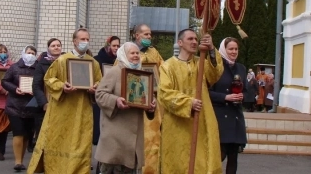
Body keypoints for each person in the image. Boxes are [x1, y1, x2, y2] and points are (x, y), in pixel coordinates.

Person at [27, 28, 102, 174]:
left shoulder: (93, 63)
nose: (85, 42)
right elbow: (49, 78)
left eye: (87, 39)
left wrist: (95, 88)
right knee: (60, 141)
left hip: (83, 110)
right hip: (63, 110)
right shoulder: (62, 60)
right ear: (74, 41)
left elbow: (100, 81)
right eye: (82, 39)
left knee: (80, 142)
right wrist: (63, 86)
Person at [158, 29, 224, 173]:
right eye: (190, 39)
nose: (194, 42)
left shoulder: (201, 63)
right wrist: (189, 103)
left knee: (201, 162)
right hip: (177, 124)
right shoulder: (168, 66)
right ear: (180, 43)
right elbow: (164, 93)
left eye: (196, 39)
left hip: (201, 120)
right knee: (177, 164)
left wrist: (211, 49)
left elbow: (215, 74)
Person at [95, 42, 156, 173]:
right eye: (132, 53)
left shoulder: (142, 74)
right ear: (123, 55)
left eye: (137, 53)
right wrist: (116, 100)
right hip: (115, 136)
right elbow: (99, 94)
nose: (135, 56)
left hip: (133, 138)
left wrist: (151, 106)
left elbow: (146, 97)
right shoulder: (115, 71)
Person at [209, 37, 248, 174]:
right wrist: (225, 97)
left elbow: (248, 91)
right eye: (230, 49)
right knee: (219, 155)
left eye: (236, 49)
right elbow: (207, 92)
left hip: (236, 116)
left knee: (233, 157)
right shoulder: (216, 68)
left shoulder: (241, 68)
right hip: (220, 117)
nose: (234, 52)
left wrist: (243, 96)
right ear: (223, 50)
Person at [133, 24, 163, 174]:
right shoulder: (127, 51)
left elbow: (162, 74)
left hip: (151, 105)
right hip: (132, 103)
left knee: (151, 144)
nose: (149, 37)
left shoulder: (154, 53)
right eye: (146, 34)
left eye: (150, 34)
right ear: (137, 35)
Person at [1, 45, 38, 171]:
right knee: (18, 133)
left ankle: (21, 160)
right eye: (29, 52)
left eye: (33, 53)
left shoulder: (38, 68)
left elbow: (42, 83)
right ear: (24, 53)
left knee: (27, 135)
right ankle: (17, 161)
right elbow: (5, 81)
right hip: (15, 106)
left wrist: (36, 91)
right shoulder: (14, 67)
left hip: (31, 106)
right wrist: (15, 89)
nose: (30, 55)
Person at [92, 36, 120, 173]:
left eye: (118, 46)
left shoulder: (119, 62)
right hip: (101, 100)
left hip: (116, 101)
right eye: (114, 46)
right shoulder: (98, 60)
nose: (116, 48)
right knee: (102, 134)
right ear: (108, 45)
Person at [32, 38, 63, 146]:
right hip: (45, 106)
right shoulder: (41, 64)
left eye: (58, 45)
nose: (56, 47)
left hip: (63, 104)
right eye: (53, 46)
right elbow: (36, 86)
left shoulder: (66, 62)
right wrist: (44, 103)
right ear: (48, 48)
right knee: (44, 138)